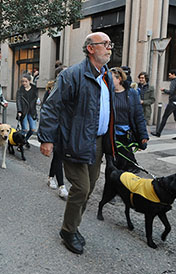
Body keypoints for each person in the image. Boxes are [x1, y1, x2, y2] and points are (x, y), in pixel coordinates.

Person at [38, 32, 116, 255]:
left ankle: (73, 225)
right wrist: (47, 139)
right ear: (91, 48)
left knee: (89, 188)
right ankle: (68, 230)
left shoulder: (106, 76)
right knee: (81, 188)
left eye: (111, 44)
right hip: (74, 140)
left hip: (98, 142)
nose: (110, 48)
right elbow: (51, 107)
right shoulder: (71, 75)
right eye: (105, 44)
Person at [110, 67, 148, 172]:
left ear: (120, 79)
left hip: (126, 133)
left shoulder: (132, 93)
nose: (108, 80)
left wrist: (143, 135)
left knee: (122, 161)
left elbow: (139, 116)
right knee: (113, 162)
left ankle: (124, 179)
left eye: (111, 78)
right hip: (110, 133)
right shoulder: (107, 93)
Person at [42, 80, 68, 200]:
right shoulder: (52, 92)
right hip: (56, 129)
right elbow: (46, 110)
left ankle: (50, 177)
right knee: (58, 156)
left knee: (58, 157)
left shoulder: (70, 91)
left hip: (66, 129)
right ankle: (61, 186)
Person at [151, 69, 176, 140]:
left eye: (170, 75)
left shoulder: (174, 81)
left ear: (173, 74)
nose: (169, 76)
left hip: (173, 102)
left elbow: (171, 92)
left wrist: (164, 90)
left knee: (164, 117)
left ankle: (158, 133)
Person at [16, 74, 38, 148]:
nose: (24, 83)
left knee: (32, 129)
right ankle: (20, 144)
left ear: (29, 81)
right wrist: (19, 111)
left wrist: (38, 102)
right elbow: (18, 101)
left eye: (26, 81)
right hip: (23, 111)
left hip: (32, 111)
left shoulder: (34, 89)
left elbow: (36, 100)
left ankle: (24, 140)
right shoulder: (20, 90)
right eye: (23, 81)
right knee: (24, 129)